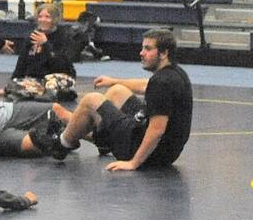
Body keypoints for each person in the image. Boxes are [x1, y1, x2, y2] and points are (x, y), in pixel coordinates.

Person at [46, 28, 193, 172]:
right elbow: (146, 85)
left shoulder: (161, 83)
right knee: (117, 91)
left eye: (148, 49)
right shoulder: (176, 73)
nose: (141, 53)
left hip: (150, 155)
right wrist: (113, 81)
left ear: (164, 53)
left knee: (91, 100)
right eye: (142, 48)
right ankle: (101, 139)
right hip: (164, 151)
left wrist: (133, 163)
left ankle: (62, 143)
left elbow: (157, 130)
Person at [7, 1, 80, 83]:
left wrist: (46, 44)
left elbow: (61, 65)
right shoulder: (32, 37)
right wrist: (11, 85)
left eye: (47, 17)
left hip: (58, 78)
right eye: (40, 17)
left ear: (54, 19)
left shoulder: (63, 37)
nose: (43, 20)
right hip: (36, 80)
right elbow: (21, 64)